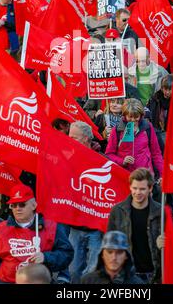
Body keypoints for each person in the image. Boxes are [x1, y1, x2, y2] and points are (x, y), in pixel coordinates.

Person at [0, 184, 73, 283]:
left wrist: (46, 257)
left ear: (34, 205)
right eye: (13, 205)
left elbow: (67, 254)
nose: (18, 208)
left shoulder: (51, 227)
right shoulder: (1, 228)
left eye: (22, 204)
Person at [107, 168, 161, 284]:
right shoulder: (117, 211)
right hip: (127, 276)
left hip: (155, 276)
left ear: (150, 189)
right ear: (130, 187)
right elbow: (109, 245)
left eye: (142, 189)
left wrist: (165, 243)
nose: (137, 192)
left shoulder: (161, 213)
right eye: (135, 188)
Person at [68, 121, 103, 283]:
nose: (69, 140)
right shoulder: (67, 159)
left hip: (95, 227)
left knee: (92, 271)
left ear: (86, 139)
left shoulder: (101, 162)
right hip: (75, 225)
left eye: (73, 137)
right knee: (73, 270)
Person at [105, 98, 163, 178]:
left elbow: (156, 153)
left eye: (136, 117)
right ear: (125, 115)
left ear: (141, 115)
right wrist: (122, 161)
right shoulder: (117, 130)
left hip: (145, 175)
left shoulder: (147, 127)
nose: (133, 120)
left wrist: (162, 174)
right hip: (125, 175)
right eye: (130, 117)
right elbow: (109, 154)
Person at [146, 74, 173, 151]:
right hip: (156, 132)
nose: (167, 92)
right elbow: (147, 112)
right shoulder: (154, 98)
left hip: (172, 134)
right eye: (164, 89)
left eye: (170, 89)